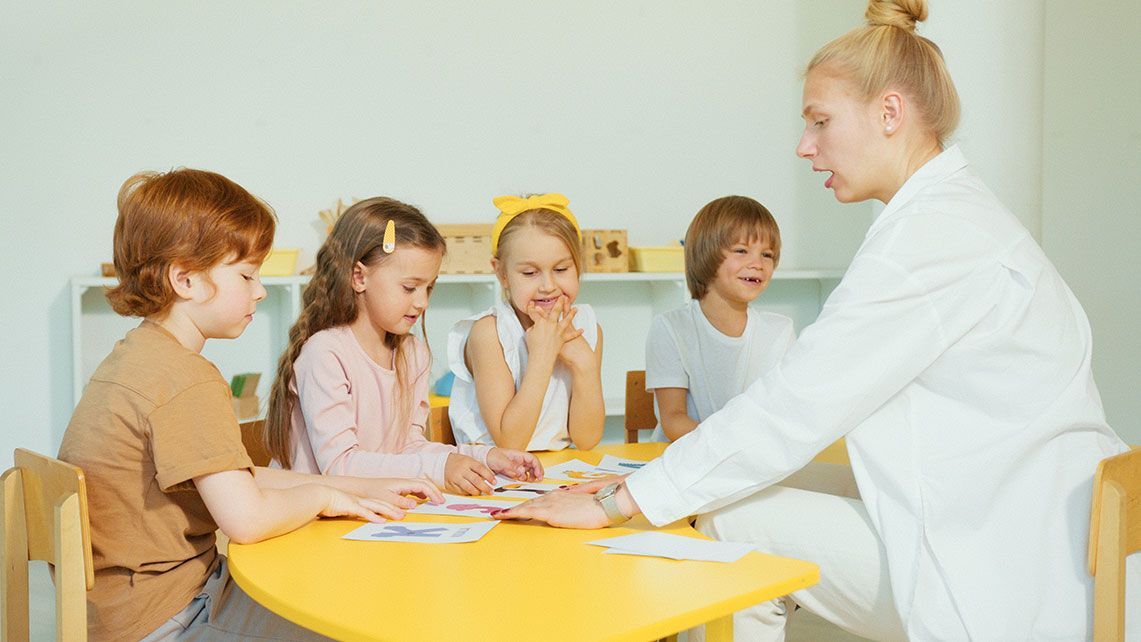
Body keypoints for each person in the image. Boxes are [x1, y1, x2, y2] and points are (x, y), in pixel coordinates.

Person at [493, 1, 1136, 639]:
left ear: (889, 113)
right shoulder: (955, 217)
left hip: (1010, 565)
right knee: (739, 482)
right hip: (1032, 516)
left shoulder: (928, 240)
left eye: (820, 122)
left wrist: (616, 502)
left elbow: (793, 404)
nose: (805, 147)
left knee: (728, 520)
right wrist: (651, 483)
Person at [58, 169, 442, 641]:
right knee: (350, 627)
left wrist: (353, 485)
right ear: (186, 280)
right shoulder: (184, 381)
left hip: (132, 606)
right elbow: (247, 519)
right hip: (167, 617)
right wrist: (323, 496)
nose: (259, 290)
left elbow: (239, 477)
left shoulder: (138, 358)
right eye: (246, 274)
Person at [263, 198, 542, 496]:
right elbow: (340, 465)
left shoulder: (412, 354)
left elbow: (408, 448)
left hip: (363, 513)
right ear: (359, 277)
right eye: (409, 288)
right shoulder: (325, 354)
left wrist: (485, 457)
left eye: (429, 288)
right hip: (306, 520)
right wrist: (441, 468)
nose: (422, 302)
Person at [447, 193, 605, 451]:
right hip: (493, 475)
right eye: (530, 273)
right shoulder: (490, 333)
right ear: (502, 273)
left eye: (561, 269)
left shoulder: (587, 327)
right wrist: (542, 357)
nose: (548, 286)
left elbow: (586, 439)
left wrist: (585, 366)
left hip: (553, 471)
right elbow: (510, 443)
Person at [645, 195, 793, 443]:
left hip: (751, 462)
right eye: (741, 251)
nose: (757, 263)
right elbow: (673, 419)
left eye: (767, 255)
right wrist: (730, 445)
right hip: (683, 463)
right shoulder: (670, 328)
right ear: (706, 254)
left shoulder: (780, 330)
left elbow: (782, 413)